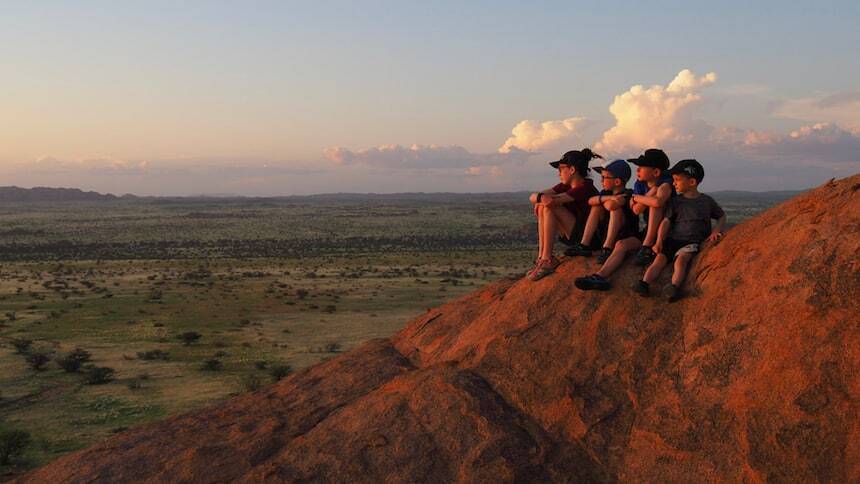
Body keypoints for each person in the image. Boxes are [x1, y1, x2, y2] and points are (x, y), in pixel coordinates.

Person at [633, 159, 726, 302]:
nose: (674, 183)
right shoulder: (676, 201)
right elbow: (666, 221)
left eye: (677, 180)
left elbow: (721, 216)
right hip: (672, 239)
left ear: (692, 182)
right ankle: (644, 283)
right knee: (659, 259)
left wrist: (716, 230)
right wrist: (658, 241)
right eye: (673, 179)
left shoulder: (706, 201)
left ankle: (673, 287)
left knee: (681, 261)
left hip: (690, 242)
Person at [527, 148, 601, 281]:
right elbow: (533, 196)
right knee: (543, 206)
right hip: (574, 233)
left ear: (572, 170)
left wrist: (541, 199)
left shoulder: (585, 188)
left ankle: (547, 259)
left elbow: (550, 201)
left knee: (549, 207)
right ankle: (542, 257)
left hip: (589, 240)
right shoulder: (565, 186)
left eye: (561, 170)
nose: (559, 174)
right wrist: (540, 199)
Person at [566, 159, 636, 263]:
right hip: (606, 232)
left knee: (614, 210)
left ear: (617, 181)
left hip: (623, 235)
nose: (601, 181)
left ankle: (607, 248)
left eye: (604, 177)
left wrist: (606, 200)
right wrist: (608, 198)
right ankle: (584, 244)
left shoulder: (627, 194)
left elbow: (611, 206)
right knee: (596, 207)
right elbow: (591, 201)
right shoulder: (606, 192)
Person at [628, 149, 674, 267]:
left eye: (642, 167)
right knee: (621, 245)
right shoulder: (639, 184)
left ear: (656, 172)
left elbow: (658, 203)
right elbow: (636, 210)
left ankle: (647, 247)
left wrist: (636, 198)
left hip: (669, 227)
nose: (637, 170)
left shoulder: (665, 184)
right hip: (650, 228)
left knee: (654, 204)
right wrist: (649, 193)